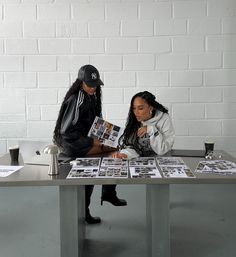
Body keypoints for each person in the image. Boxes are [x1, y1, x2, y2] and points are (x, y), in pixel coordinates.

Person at [53, 64, 127, 224]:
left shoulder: (91, 96)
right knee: (111, 152)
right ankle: (107, 193)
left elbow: (93, 122)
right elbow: (66, 132)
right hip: (73, 144)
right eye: (90, 84)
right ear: (81, 82)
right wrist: (92, 140)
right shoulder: (77, 99)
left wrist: (106, 132)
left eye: (95, 85)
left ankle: (101, 197)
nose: (93, 88)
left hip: (82, 141)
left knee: (113, 148)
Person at [112, 91, 175, 159]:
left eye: (140, 108)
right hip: (142, 163)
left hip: (162, 161)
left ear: (150, 108)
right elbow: (134, 147)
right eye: (134, 108)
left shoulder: (164, 119)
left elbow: (162, 150)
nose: (136, 112)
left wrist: (150, 129)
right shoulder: (134, 121)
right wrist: (125, 154)